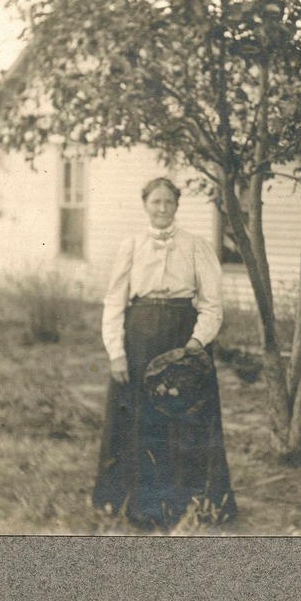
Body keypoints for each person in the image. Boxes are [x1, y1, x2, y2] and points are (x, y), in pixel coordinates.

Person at [92, 177, 237, 530]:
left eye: (168, 202)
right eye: (155, 202)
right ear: (145, 205)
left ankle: (187, 503)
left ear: (176, 206)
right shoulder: (131, 246)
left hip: (182, 338)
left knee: (184, 421)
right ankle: (139, 504)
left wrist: (195, 345)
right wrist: (116, 353)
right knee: (140, 420)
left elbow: (212, 305)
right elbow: (114, 302)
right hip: (139, 339)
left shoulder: (196, 246)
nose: (161, 208)